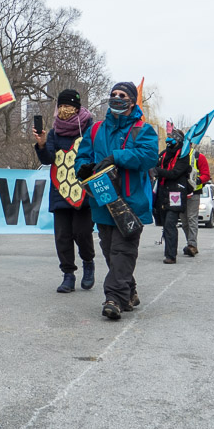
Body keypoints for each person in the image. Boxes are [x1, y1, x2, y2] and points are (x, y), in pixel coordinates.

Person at [75, 81, 158, 320]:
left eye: (122, 95)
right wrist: (84, 168)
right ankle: (129, 290)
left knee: (123, 251)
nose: (117, 98)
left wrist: (115, 157)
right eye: (113, 94)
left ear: (132, 101)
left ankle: (114, 298)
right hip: (102, 201)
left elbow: (149, 156)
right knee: (111, 251)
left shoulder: (143, 130)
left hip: (130, 203)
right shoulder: (95, 129)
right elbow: (82, 156)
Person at [33, 89, 96, 293]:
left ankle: (88, 263)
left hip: (83, 192)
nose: (64, 110)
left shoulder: (89, 129)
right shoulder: (54, 132)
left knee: (82, 233)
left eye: (68, 106)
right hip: (60, 190)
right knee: (62, 236)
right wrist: (42, 145)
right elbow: (48, 159)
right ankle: (68, 274)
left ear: (77, 108)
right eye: (60, 106)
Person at [154, 129, 191, 264]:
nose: (168, 139)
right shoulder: (164, 154)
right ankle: (168, 250)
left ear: (178, 140)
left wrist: (157, 171)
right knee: (165, 223)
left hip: (176, 192)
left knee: (170, 223)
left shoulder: (183, 155)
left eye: (171, 137)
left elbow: (175, 173)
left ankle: (171, 255)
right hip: (163, 192)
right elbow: (155, 164)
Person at [181, 147, 210, 256]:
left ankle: (192, 245)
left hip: (194, 192)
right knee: (184, 221)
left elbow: (206, 175)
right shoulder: (177, 156)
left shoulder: (198, 157)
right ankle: (191, 243)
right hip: (180, 193)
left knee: (191, 218)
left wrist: (197, 180)